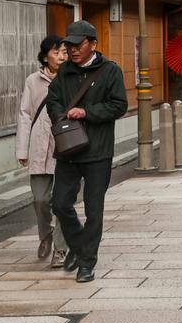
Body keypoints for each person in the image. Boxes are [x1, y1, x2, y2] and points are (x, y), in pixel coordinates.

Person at [47, 20, 129, 284]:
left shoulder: (110, 71)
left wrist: (87, 113)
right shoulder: (64, 72)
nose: (71, 50)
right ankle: (80, 246)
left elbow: (118, 106)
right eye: (68, 45)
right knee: (59, 203)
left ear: (93, 44)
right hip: (69, 149)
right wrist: (60, 114)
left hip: (97, 151)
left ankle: (86, 263)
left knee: (94, 210)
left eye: (77, 44)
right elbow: (53, 99)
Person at [16, 35, 68, 269]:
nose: (62, 56)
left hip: (65, 145)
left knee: (62, 202)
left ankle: (60, 249)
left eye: (65, 52)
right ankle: (45, 234)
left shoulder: (71, 78)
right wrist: (22, 148)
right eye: (57, 52)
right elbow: (25, 114)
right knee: (40, 200)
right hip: (38, 145)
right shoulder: (33, 81)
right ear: (46, 55)